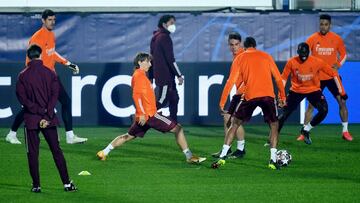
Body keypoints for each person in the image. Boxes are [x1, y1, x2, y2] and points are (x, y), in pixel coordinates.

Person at [96, 52, 206, 164]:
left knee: (128, 136)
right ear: (140, 62)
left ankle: (104, 152)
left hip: (144, 116)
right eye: (147, 61)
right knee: (178, 128)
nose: (150, 64)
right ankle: (189, 157)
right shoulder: (139, 76)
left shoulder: (140, 75)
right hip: (150, 115)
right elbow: (136, 96)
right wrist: (142, 113)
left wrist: (141, 114)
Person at [5, 9, 87, 144]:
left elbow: (52, 53)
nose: (52, 22)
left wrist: (67, 63)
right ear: (43, 20)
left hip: (52, 77)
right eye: (50, 20)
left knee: (66, 102)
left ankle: (70, 136)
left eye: (54, 20)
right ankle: (11, 133)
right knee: (31, 108)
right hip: (41, 79)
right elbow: (29, 60)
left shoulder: (51, 35)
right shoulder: (37, 37)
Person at [211, 37, 286, 170]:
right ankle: (272, 160)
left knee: (234, 124)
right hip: (267, 96)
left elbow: (230, 82)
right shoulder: (266, 56)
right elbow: (278, 79)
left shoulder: (240, 58)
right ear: (255, 46)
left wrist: (222, 102)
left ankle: (222, 157)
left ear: (244, 47)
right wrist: (282, 96)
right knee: (274, 125)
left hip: (250, 95)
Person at [16, 44, 77, 193]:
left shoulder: (23, 76)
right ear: (41, 55)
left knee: (32, 153)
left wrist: (37, 112)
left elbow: (23, 99)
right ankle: (67, 184)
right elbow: (54, 96)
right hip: (48, 118)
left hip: (31, 120)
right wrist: (45, 114)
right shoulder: (50, 73)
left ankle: (36, 186)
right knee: (56, 151)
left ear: (28, 57)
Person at [278, 42, 347, 145]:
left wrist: (342, 91)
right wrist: (281, 97)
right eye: (301, 55)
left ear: (309, 53)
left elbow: (334, 73)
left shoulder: (317, 62)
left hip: (313, 90)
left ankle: (306, 129)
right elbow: (283, 79)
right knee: (284, 115)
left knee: (324, 110)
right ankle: (273, 139)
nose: (304, 57)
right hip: (296, 91)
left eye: (306, 54)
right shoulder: (291, 62)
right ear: (298, 52)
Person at [300, 14, 352, 141]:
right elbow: (304, 54)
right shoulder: (312, 39)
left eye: (326, 24)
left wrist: (338, 65)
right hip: (317, 78)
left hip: (332, 76)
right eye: (321, 24)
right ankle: (303, 132)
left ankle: (345, 132)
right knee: (311, 105)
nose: (323, 27)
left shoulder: (337, 39)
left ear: (330, 25)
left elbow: (344, 54)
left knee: (342, 102)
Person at [212, 32, 246, 159]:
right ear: (229, 45)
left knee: (234, 119)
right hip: (241, 93)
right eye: (231, 45)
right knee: (228, 118)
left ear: (240, 44)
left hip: (245, 93)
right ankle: (228, 148)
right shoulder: (236, 56)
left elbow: (232, 81)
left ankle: (240, 149)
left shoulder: (242, 56)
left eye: (236, 44)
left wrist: (222, 102)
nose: (234, 47)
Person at [149, 14, 183, 122]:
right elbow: (170, 59)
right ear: (164, 24)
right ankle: (141, 116)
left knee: (174, 98)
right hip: (165, 76)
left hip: (162, 75)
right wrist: (179, 75)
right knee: (162, 100)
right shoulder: (164, 38)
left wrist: (151, 75)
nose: (173, 25)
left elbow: (152, 58)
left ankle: (173, 122)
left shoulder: (155, 38)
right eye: (171, 23)